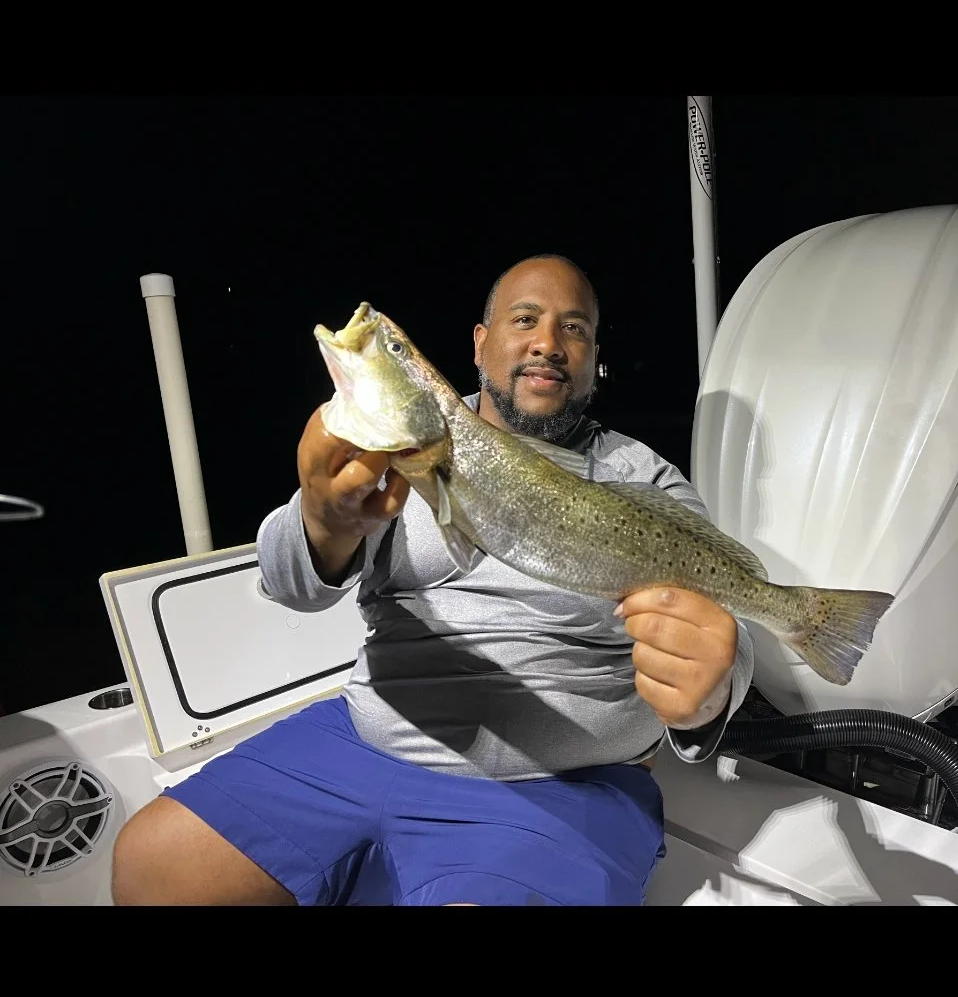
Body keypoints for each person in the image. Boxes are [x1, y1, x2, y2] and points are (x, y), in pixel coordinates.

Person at [112, 256, 754, 905]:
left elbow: (724, 623)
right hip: (366, 738)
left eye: (575, 328)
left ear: (592, 358)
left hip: (564, 782)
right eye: (524, 319)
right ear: (479, 342)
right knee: (153, 865)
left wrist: (711, 690)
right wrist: (321, 520)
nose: (548, 343)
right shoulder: (393, 449)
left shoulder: (645, 480)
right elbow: (290, 586)